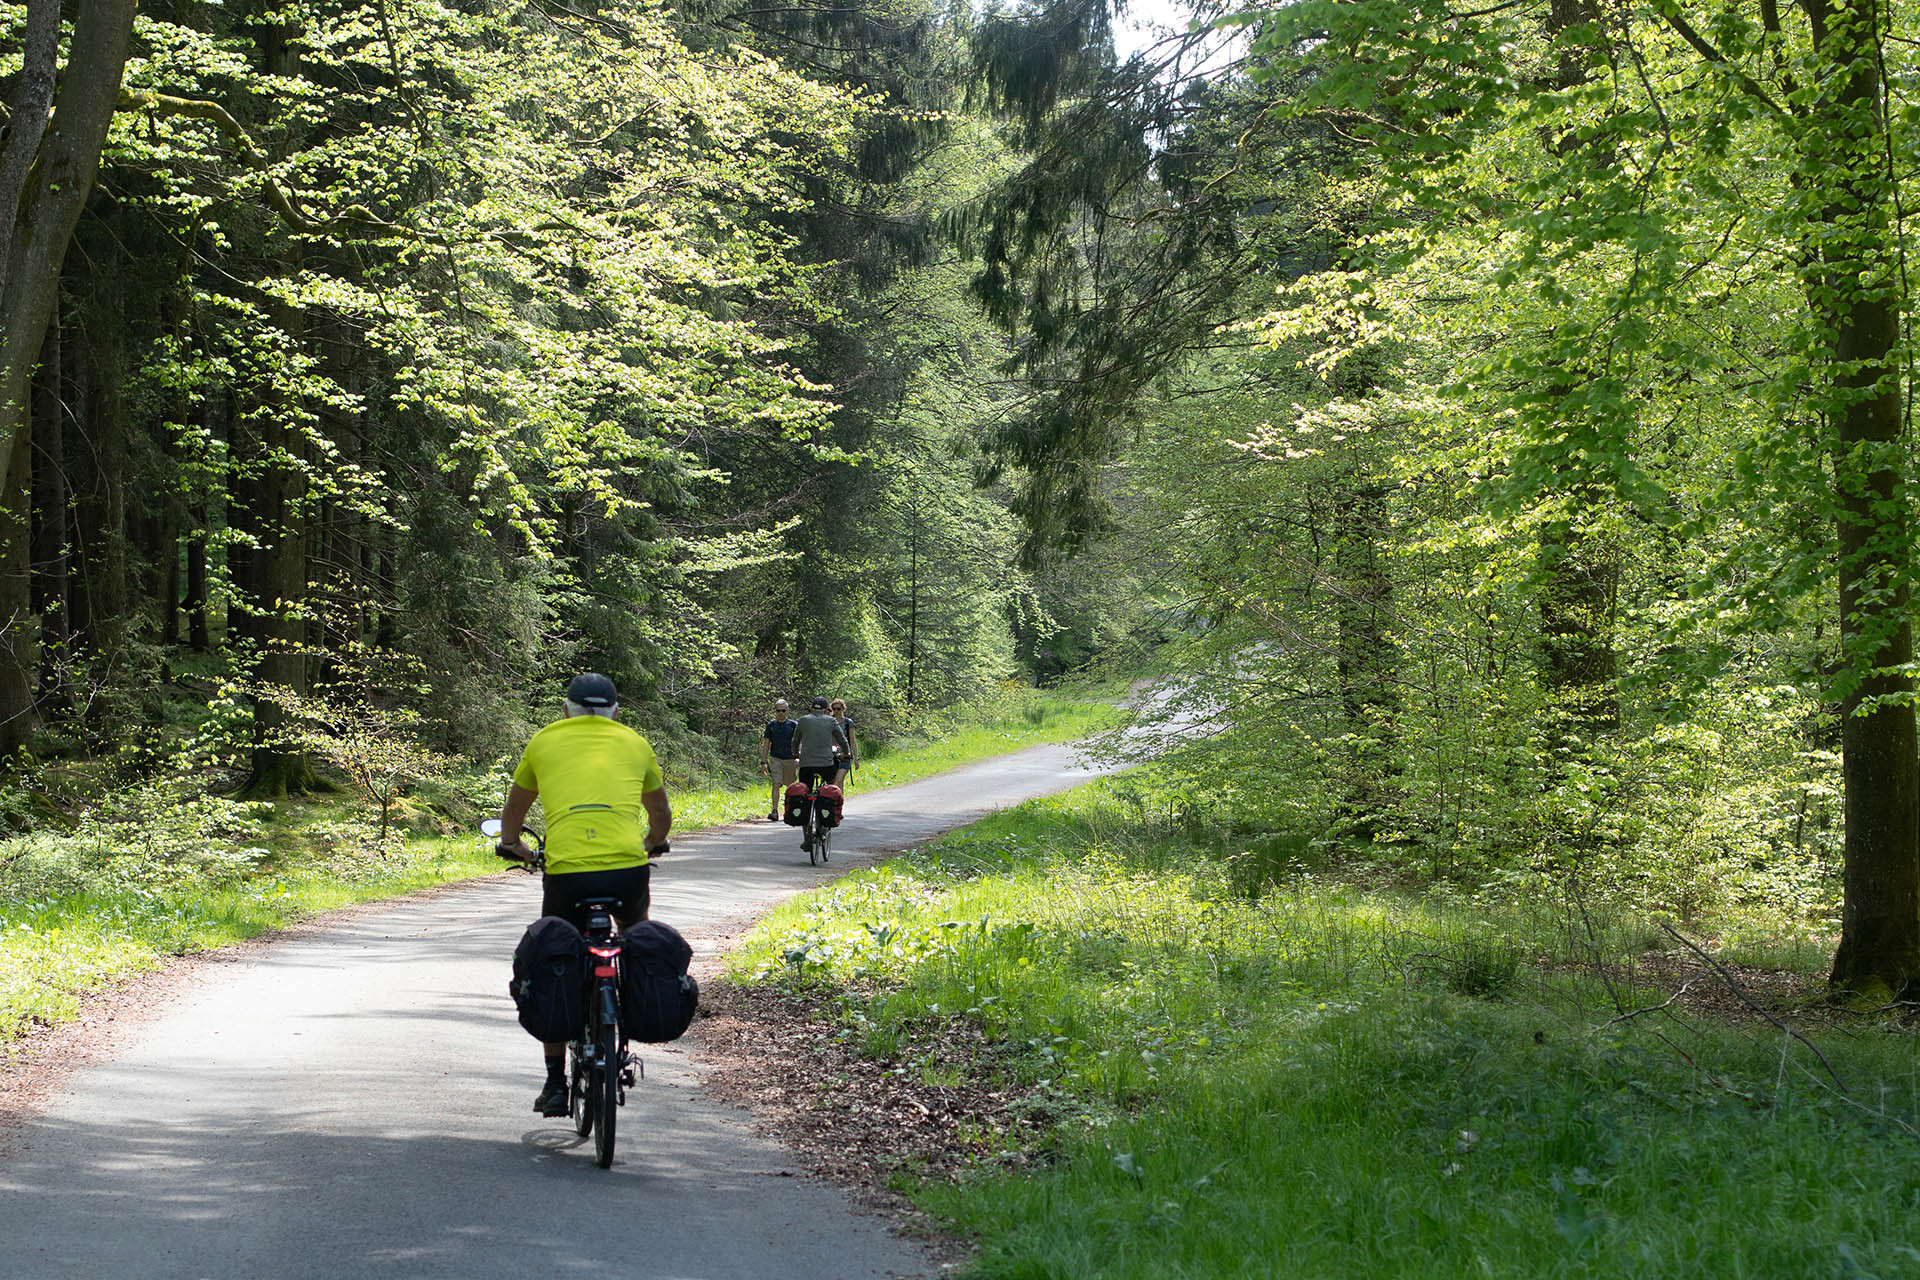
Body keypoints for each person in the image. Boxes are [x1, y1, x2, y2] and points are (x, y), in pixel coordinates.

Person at [497, 672, 672, 1117]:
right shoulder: (635, 743)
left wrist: (513, 844)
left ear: (565, 709)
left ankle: (556, 1081)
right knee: (635, 937)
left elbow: (515, 810)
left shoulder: (543, 742)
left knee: (557, 957)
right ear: (616, 710)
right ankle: (632, 1007)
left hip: (567, 873)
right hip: (626, 871)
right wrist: (652, 841)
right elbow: (661, 814)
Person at [791, 696, 848, 850]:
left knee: (804, 797)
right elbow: (842, 740)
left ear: (811, 708)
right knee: (830, 789)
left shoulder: (803, 720)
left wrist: (795, 753)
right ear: (825, 709)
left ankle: (807, 839)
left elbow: (795, 741)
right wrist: (846, 753)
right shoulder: (831, 721)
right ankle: (823, 827)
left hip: (806, 765)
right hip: (826, 765)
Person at [761, 698, 798, 820]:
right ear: (775, 711)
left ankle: (789, 810)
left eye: (783, 710)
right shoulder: (771, 726)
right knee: (776, 784)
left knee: (790, 786)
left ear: (787, 710)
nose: (781, 713)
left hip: (790, 759)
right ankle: (775, 811)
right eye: (778, 711)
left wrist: (798, 757)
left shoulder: (793, 725)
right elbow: (766, 744)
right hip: (776, 758)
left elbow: (799, 742)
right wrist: (763, 762)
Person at [829, 698, 857, 788]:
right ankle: (838, 800)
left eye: (838, 709)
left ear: (843, 709)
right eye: (834, 709)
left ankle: (837, 800)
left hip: (845, 756)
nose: (836, 711)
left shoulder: (848, 722)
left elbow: (852, 740)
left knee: (839, 780)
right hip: (831, 756)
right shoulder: (828, 722)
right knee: (834, 782)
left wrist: (856, 758)